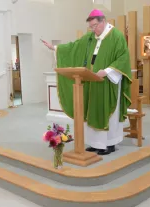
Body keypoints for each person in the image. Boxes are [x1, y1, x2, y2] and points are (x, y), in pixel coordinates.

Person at [42, 9, 132, 155]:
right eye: (91, 27)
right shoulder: (91, 37)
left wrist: (107, 71)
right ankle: (96, 143)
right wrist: (55, 48)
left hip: (108, 82)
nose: (93, 29)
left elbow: (123, 58)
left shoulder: (116, 36)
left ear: (103, 21)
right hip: (91, 80)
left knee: (107, 111)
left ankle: (110, 143)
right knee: (92, 111)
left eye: (95, 25)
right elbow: (74, 47)